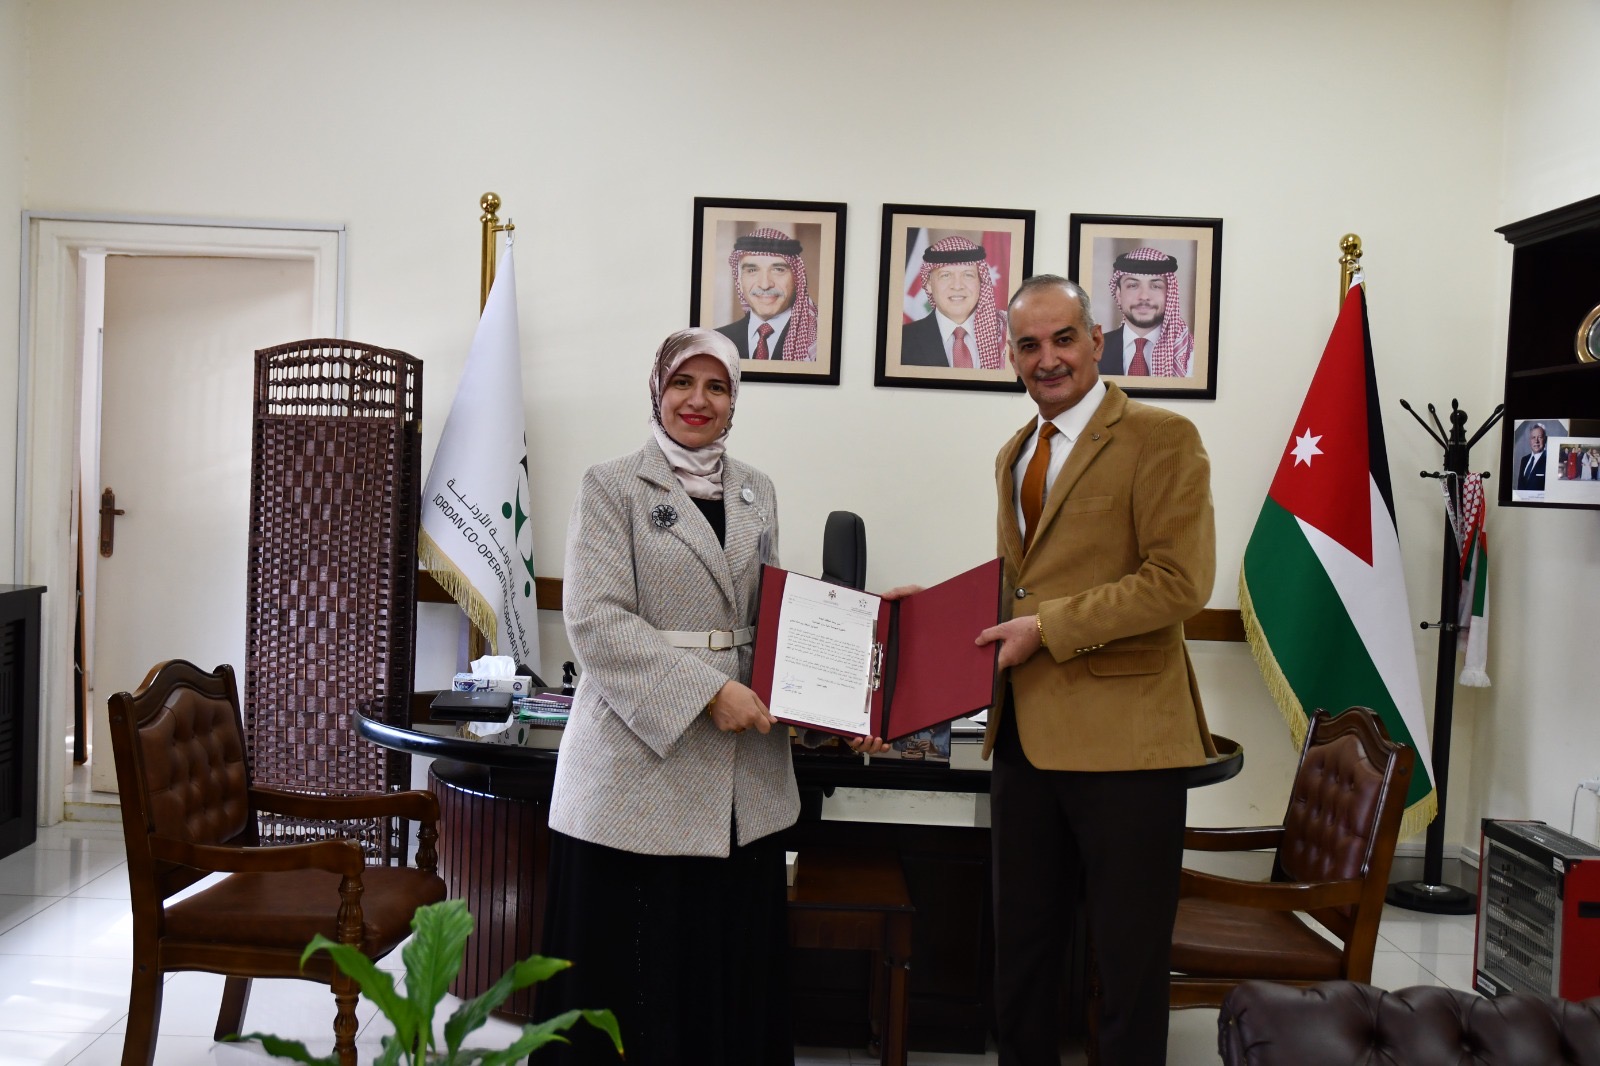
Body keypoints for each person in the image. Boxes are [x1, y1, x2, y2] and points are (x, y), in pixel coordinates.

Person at [540, 328, 878, 1065]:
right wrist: (707, 693)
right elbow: (595, 620)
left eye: (717, 387)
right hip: (637, 766)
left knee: (724, 978)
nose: (699, 400)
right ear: (656, 392)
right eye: (682, 383)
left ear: (734, 401)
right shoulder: (611, 485)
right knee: (638, 977)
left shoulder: (758, 489)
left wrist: (847, 680)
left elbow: (774, 622)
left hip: (740, 781)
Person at [976, 274, 1216, 1065]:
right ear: (1012, 357)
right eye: (1029, 345)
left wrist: (1048, 628)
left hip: (1128, 749)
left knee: (1127, 969)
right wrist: (927, 618)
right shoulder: (1015, 452)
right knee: (1021, 960)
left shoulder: (1160, 436)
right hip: (1025, 740)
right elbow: (1026, 584)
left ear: (1096, 341)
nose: (1048, 359)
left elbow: (1179, 582)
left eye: (1063, 339)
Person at [900, 235, 1008, 369]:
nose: (957, 286)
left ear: (981, 281)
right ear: (929, 284)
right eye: (946, 275)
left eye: (968, 275)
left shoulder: (1006, 334)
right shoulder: (902, 341)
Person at [714, 228, 819, 361]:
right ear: (739, 281)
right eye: (752, 270)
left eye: (778, 270)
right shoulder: (717, 341)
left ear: (797, 279)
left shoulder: (818, 341)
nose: (765, 285)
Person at [1101, 247, 1195, 377]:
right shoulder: (1093, 349)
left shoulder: (1191, 353)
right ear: (1118, 294)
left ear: (1169, 294)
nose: (1144, 296)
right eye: (1133, 285)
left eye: (1155, 286)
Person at [1517, 423, 1548, 490]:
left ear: (1545, 439)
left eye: (1540, 437)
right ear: (1530, 440)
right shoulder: (1524, 460)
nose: (1536, 441)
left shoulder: (1549, 460)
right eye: (1533, 437)